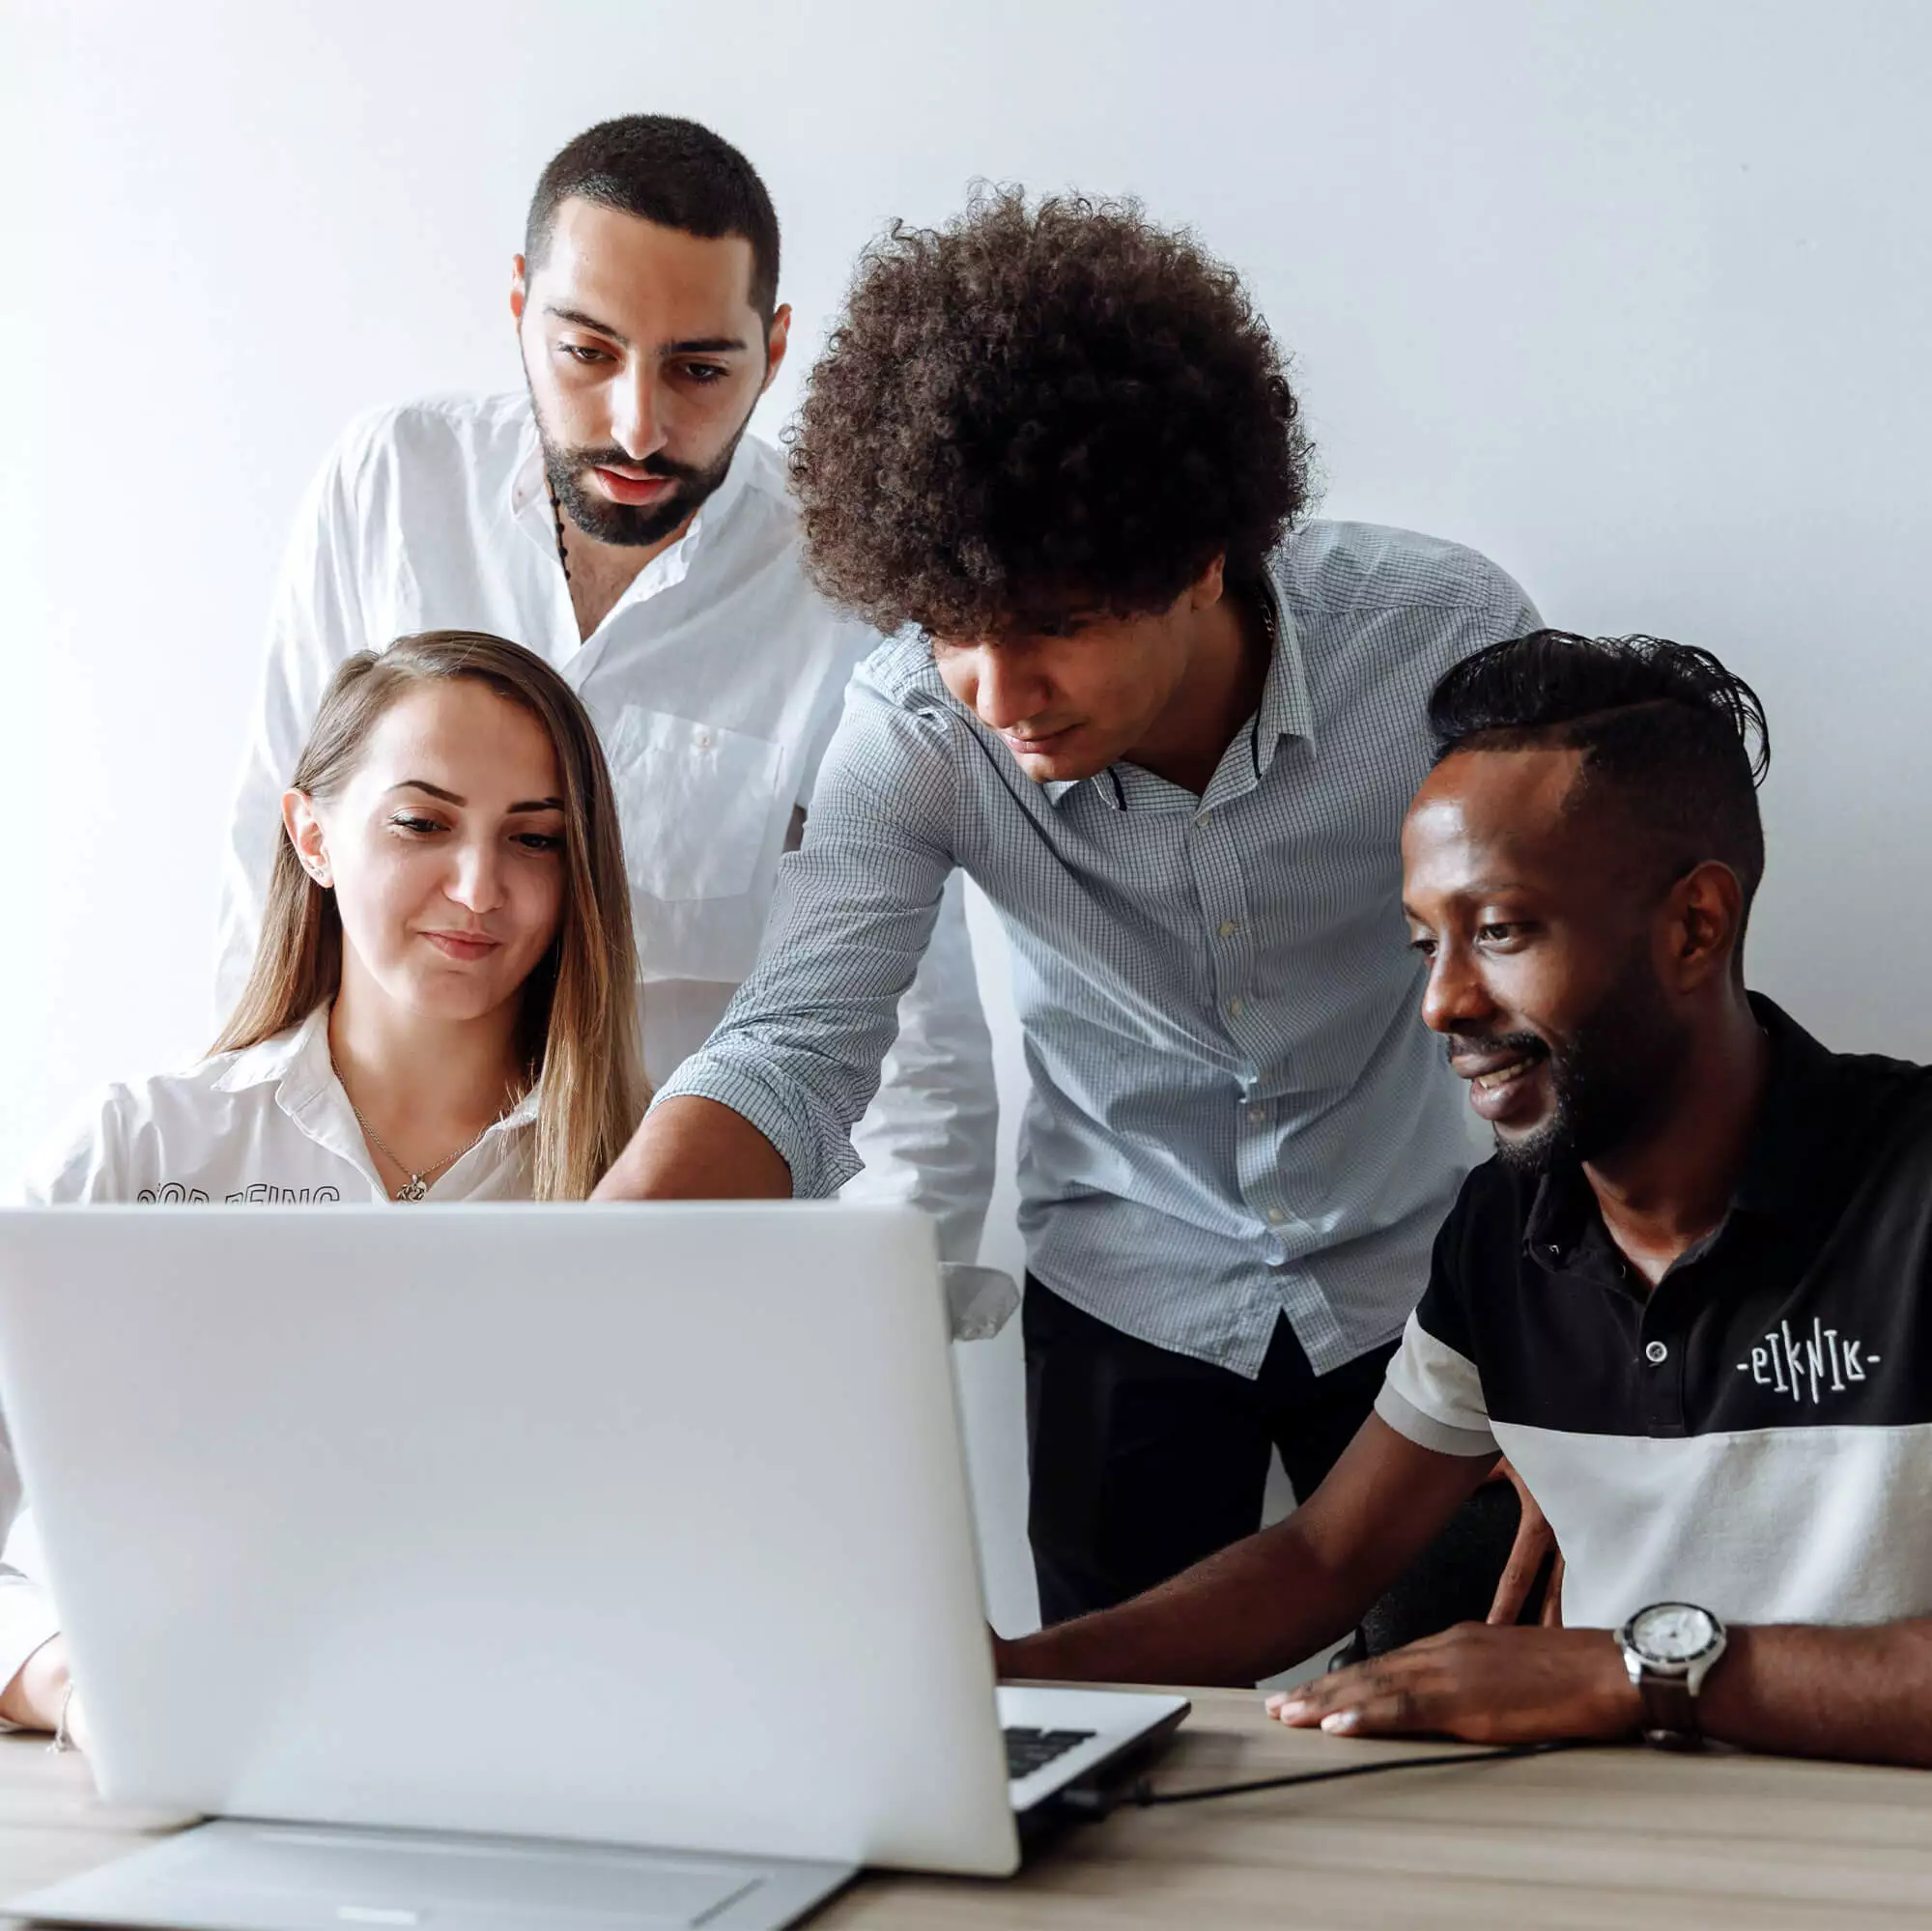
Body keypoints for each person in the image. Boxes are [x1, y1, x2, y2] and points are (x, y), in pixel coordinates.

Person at [596, 188, 1547, 1635]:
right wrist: (572, 1298)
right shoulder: (917, 728)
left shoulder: (1439, 645)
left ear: (1197, 555)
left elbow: (1580, 999)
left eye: (1053, 623)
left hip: (1433, 1276)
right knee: (1121, 1762)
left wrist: (1602, 1353)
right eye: (951, 628)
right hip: (1128, 1292)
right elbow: (793, 1046)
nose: (996, 689)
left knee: (1458, 1756)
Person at [996, 630, 1932, 1770]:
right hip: (1595, 1854)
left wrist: (1619, 1671)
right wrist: (1008, 1676)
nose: (1440, 1001)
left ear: (1693, 926)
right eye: (1422, 943)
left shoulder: (1914, 1184)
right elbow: (1323, 1560)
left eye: (1497, 931)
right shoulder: (1500, 1227)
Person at [217, 113, 1000, 1314]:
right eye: (586, 352)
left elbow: (910, 1023)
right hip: (371, 1244)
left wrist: (883, 1328)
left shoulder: (845, 578)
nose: (639, 426)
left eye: (698, 369)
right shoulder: (390, 485)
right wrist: (229, 1210)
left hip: (687, 1283)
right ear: (520, 304)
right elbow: (269, 883)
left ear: (774, 347)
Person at [3, 629, 648, 1748]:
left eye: (533, 840)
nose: (479, 887)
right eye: (422, 822)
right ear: (312, 835)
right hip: (166, 1775)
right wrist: (75, 1683)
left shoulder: (650, 1187)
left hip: (526, 1758)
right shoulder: (138, 1150)